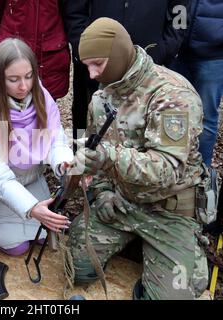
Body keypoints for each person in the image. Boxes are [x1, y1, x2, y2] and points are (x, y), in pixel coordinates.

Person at [67, 18, 209, 299]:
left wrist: (108, 157)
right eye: (87, 66)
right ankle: (136, 243)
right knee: (76, 267)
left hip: (169, 211)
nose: (92, 75)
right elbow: (95, 157)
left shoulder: (171, 95)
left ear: (118, 55)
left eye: (98, 64)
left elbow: (167, 170)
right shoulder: (102, 98)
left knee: (173, 297)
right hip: (122, 203)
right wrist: (103, 192)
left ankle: (172, 252)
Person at [0, 38, 73, 255]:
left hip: (33, 180)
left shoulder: (42, 98)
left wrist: (65, 163)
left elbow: (56, 140)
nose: (24, 86)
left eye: (29, 77)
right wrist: (31, 208)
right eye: (13, 79)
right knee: (18, 247)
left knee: (42, 236)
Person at [63, 0, 191, 147]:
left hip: (147, 62)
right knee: (84, 116)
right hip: (93, 63)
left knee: (138, 122)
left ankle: (128, 161)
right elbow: (74, 12)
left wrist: (166, 48)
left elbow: (180, 10)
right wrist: (82, 47)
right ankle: (81, 157)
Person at [170, 0, 223, 167]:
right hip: (177, 51)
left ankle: (201, 174)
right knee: (172, 112)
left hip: (213, 56)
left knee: (206, 118)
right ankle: (171, 167)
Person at [0, 0, 70, 101]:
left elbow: (70, 12)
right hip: (14, 49)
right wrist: (5, 42)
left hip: (49, 53)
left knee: (46, 104)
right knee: (11, 103)